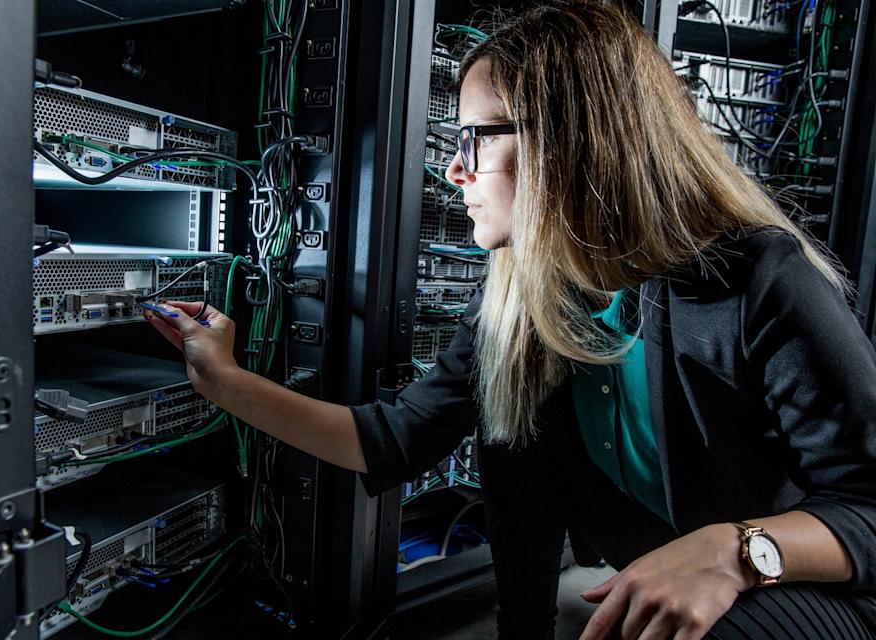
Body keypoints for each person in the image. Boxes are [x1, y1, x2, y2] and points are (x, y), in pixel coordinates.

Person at [145, 2, 876, 638]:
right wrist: (225, 381)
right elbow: (396, 437)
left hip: (792, 590)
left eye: (474, 140)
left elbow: (870, 508)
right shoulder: (522, 298)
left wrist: (734, 552)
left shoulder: (756, 280)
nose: (452, 172)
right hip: (659, 591)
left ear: (570, 141)